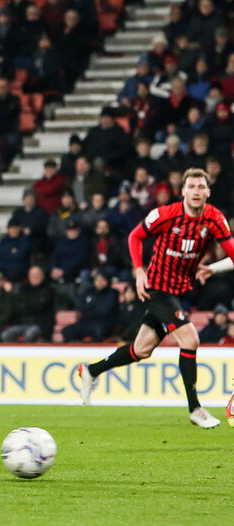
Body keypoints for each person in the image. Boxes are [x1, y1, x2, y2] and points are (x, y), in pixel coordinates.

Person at [81, 168, 234, 428]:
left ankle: (91, 370)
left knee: (141, 350)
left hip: (178, 291)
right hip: (155, 288)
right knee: (190, 338)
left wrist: (213, 267)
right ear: (182, 190)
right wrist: (139, 271)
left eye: (201, 187)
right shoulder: (166, 215)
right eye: (192, 187)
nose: (196, 191)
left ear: (208, 192)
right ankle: (195, 409)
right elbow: (135, 236)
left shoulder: (215, 219)